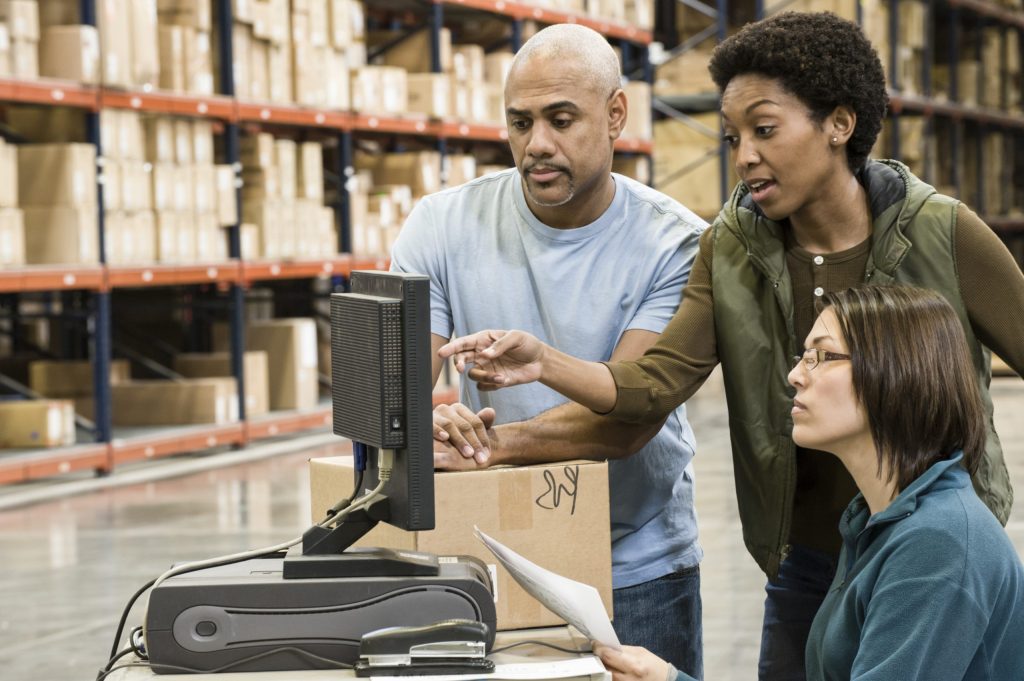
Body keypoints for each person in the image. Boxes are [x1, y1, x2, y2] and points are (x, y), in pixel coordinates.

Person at [438, 12, 1024, 680]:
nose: (743, 154)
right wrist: (545, 361)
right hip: (808, 560)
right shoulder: (732, 247)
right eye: (733, 135)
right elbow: (655, 382)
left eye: (765, 130)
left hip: (923, 541)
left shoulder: (943, 232)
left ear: (839, 123)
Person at [388, 23, 708, 678]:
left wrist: (484, 445)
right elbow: (395, 385)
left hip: (638, 569)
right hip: (496, 555)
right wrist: (428, 419)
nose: (537, 145)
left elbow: (628, 417)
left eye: (561, 119)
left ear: (616, 114)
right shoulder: (443, 224)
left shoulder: (674, 244)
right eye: (520, 122)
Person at [591, 286, 1024, 681]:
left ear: (894, 371)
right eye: (803, 356)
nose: (796, 374)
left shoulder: (938, 545)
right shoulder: (876, 522)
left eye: (821, 356)